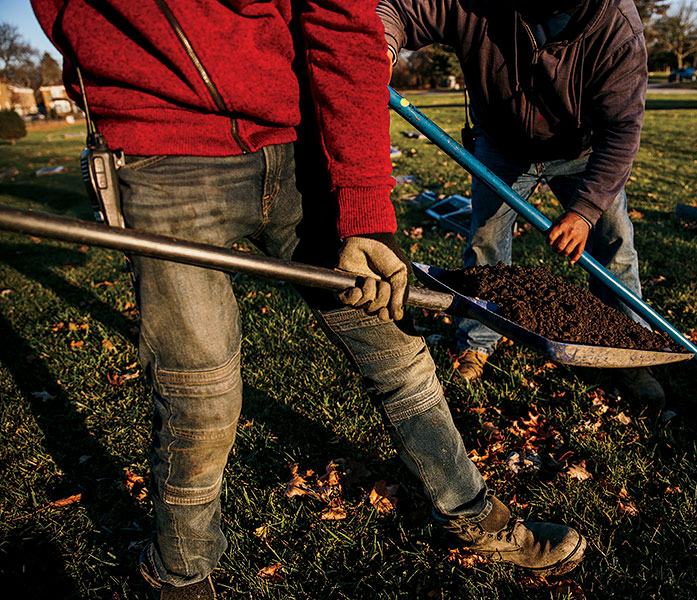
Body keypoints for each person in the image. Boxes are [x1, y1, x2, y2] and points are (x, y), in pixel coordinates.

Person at [32, 1, 585, 597]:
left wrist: (367, 205)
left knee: (396, 352)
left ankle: (473, 516)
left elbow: (345, 28)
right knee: (201, 396)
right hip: (160, 157)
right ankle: (181, 574)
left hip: (298, 147)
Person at [377, 0, 665, 407]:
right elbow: (400, 9)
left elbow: (621, 130)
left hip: (580, 150)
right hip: (501, 146)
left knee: (614, 243)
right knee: (486, 243)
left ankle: (629, 354)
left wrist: (584, 211)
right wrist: (383, 44)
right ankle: (478, 340)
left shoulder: (616, 26)